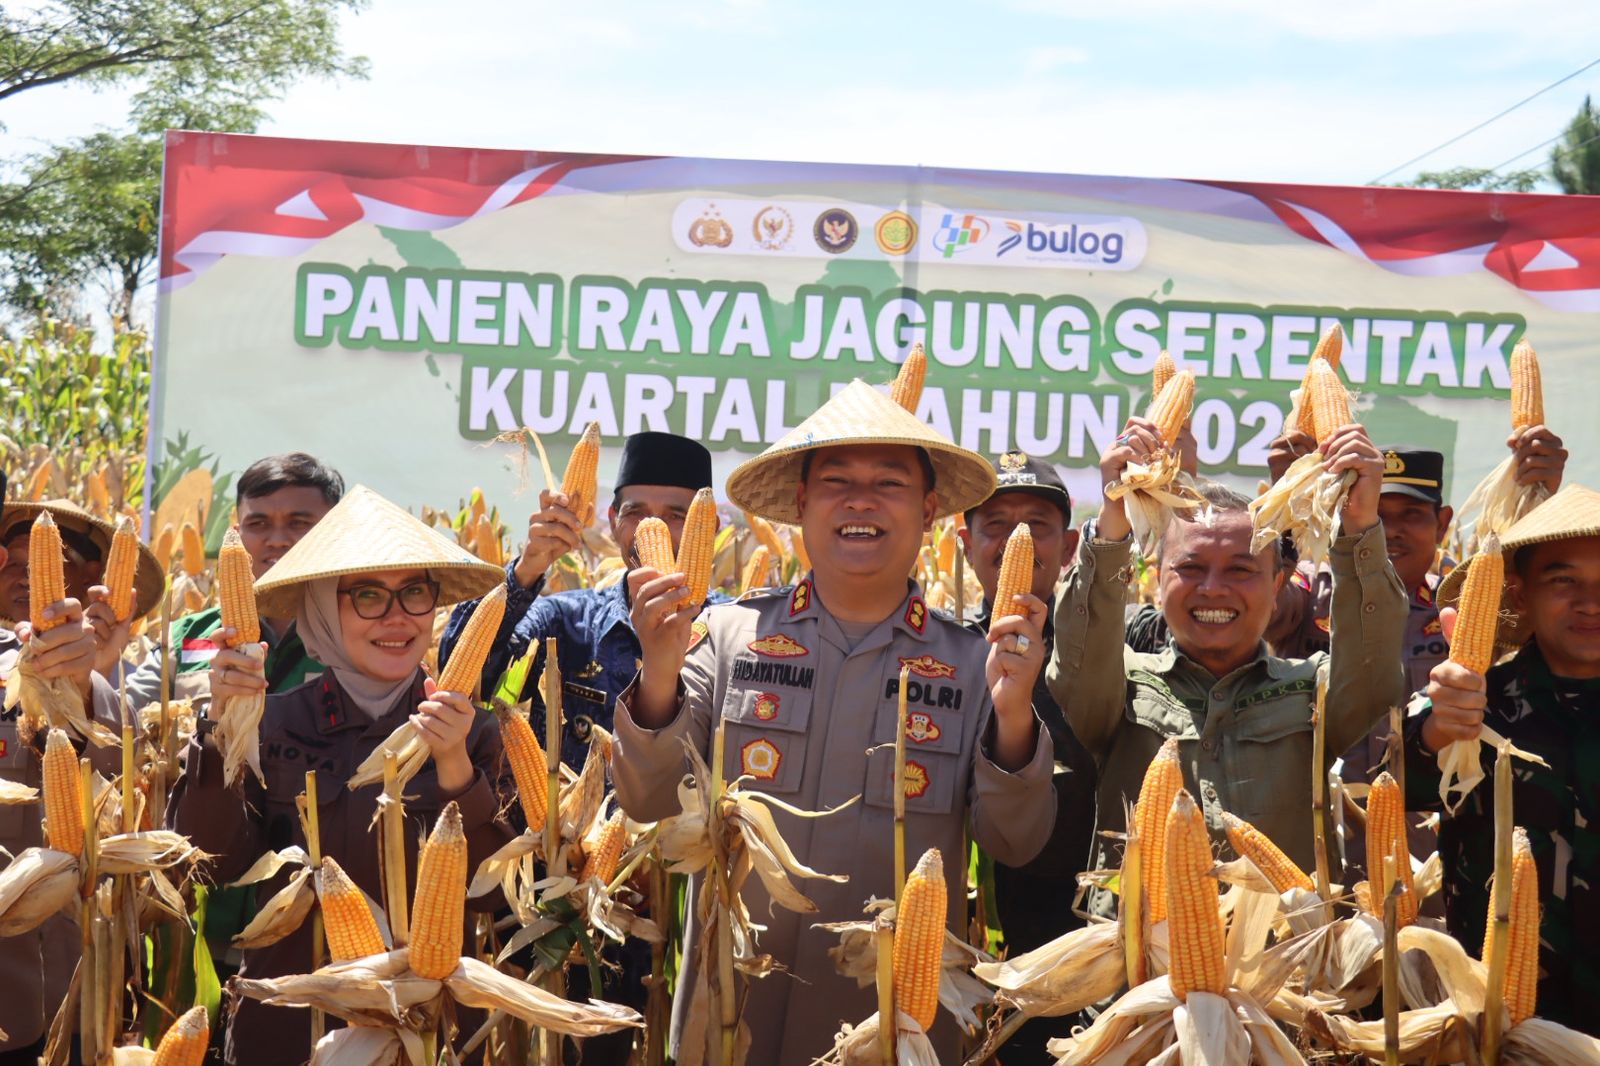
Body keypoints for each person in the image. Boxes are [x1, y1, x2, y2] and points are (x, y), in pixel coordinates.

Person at [612, 380, 1056, 1066]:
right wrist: (661, 669)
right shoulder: (725, 637)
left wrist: (1015, 713)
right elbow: (647, 802)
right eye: (837, 481)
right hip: (730, 1023)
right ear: (801, 503)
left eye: (889, 482)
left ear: (931, 508)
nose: (861, 501)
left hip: (890, 1031)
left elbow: (1015, 841)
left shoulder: (977, 666)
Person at [167, 485, 515, 1066]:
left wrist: (453, 764)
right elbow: (210, 861)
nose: (398, 618)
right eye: (369, 596)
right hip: (290, 1034)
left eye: (415, 594)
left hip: (428, 1035)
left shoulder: (475, 732)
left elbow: (496, 895)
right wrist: (222, 729)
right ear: (325, 609)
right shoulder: (271, 721)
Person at [1048, 413, 1406, 895]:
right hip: (1142, 964)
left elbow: (1374, 668)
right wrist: (1114, 521)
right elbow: (1077, 661)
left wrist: (1360, 525)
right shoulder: (1122, 689)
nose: (1213, 590)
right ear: (1156, 578)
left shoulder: (1313, 690)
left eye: (1240, 570)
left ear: (1278, 585)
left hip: (1282, 961)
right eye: (1191, 567)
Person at [1403, 483, 1600, 1035]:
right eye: (1565, 581)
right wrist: (1441, 729)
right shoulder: (1469, 701)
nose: (1591, 602)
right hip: (1495, 1022)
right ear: (1518, 595)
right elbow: (1399, 787)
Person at [441, 431, 726, 772]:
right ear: (614, 521)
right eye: (636, 513)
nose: (654, 528)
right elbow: (461, 678)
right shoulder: (565, 623)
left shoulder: (734, 632)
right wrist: (525, 570)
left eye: (676, 516)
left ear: (709, 529)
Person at [957, 450, 1096, 1058]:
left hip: (1074, 958)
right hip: (959, 957)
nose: (1017, 538)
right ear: (966, 543)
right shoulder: (940, 652)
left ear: (1068, 547)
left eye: (1036, 525)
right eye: (997, 524)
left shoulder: (1105, 652)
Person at [0, 474, 129, 1064]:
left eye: (51, 562)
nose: (27, 575)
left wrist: (80, 683)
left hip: (58, 998)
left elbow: (122, 790)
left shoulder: (116, 684)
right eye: (14, 561)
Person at [118, 453, 344, 706]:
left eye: (299, 523)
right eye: (258, 523)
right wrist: (93, 673)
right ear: (236, 535)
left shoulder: (361, 640)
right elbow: (119, 730)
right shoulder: (187, 637)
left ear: (334, 531)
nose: (278, 539)